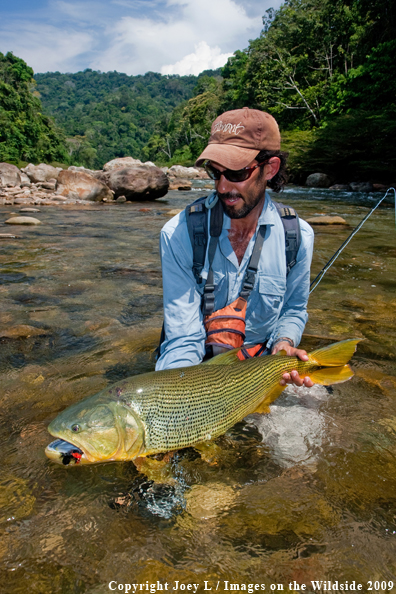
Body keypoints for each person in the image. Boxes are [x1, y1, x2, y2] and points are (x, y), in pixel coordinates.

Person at [156, 107, 314, 389]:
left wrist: (284, 342)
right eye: (215, 173)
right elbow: (182, 338)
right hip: (198, 369)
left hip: (261, 370)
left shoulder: (297, 236)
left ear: (270, 169)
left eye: (237, 172)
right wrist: (176, 395)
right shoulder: (179, 234)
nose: (222, 186)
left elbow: (293, 309)